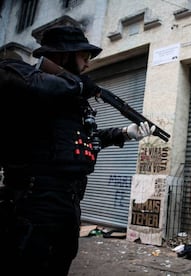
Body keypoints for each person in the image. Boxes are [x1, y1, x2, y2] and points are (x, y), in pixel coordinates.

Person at [0, 25, 155, 275]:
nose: (88, 65)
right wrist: (79, 86)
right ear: (62, 56)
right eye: (84, 57)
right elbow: (15, 77)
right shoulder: (21, 78)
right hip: (32, 205)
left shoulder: (71, 100)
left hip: (68, 205)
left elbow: (81, 141)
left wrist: (124, 133)